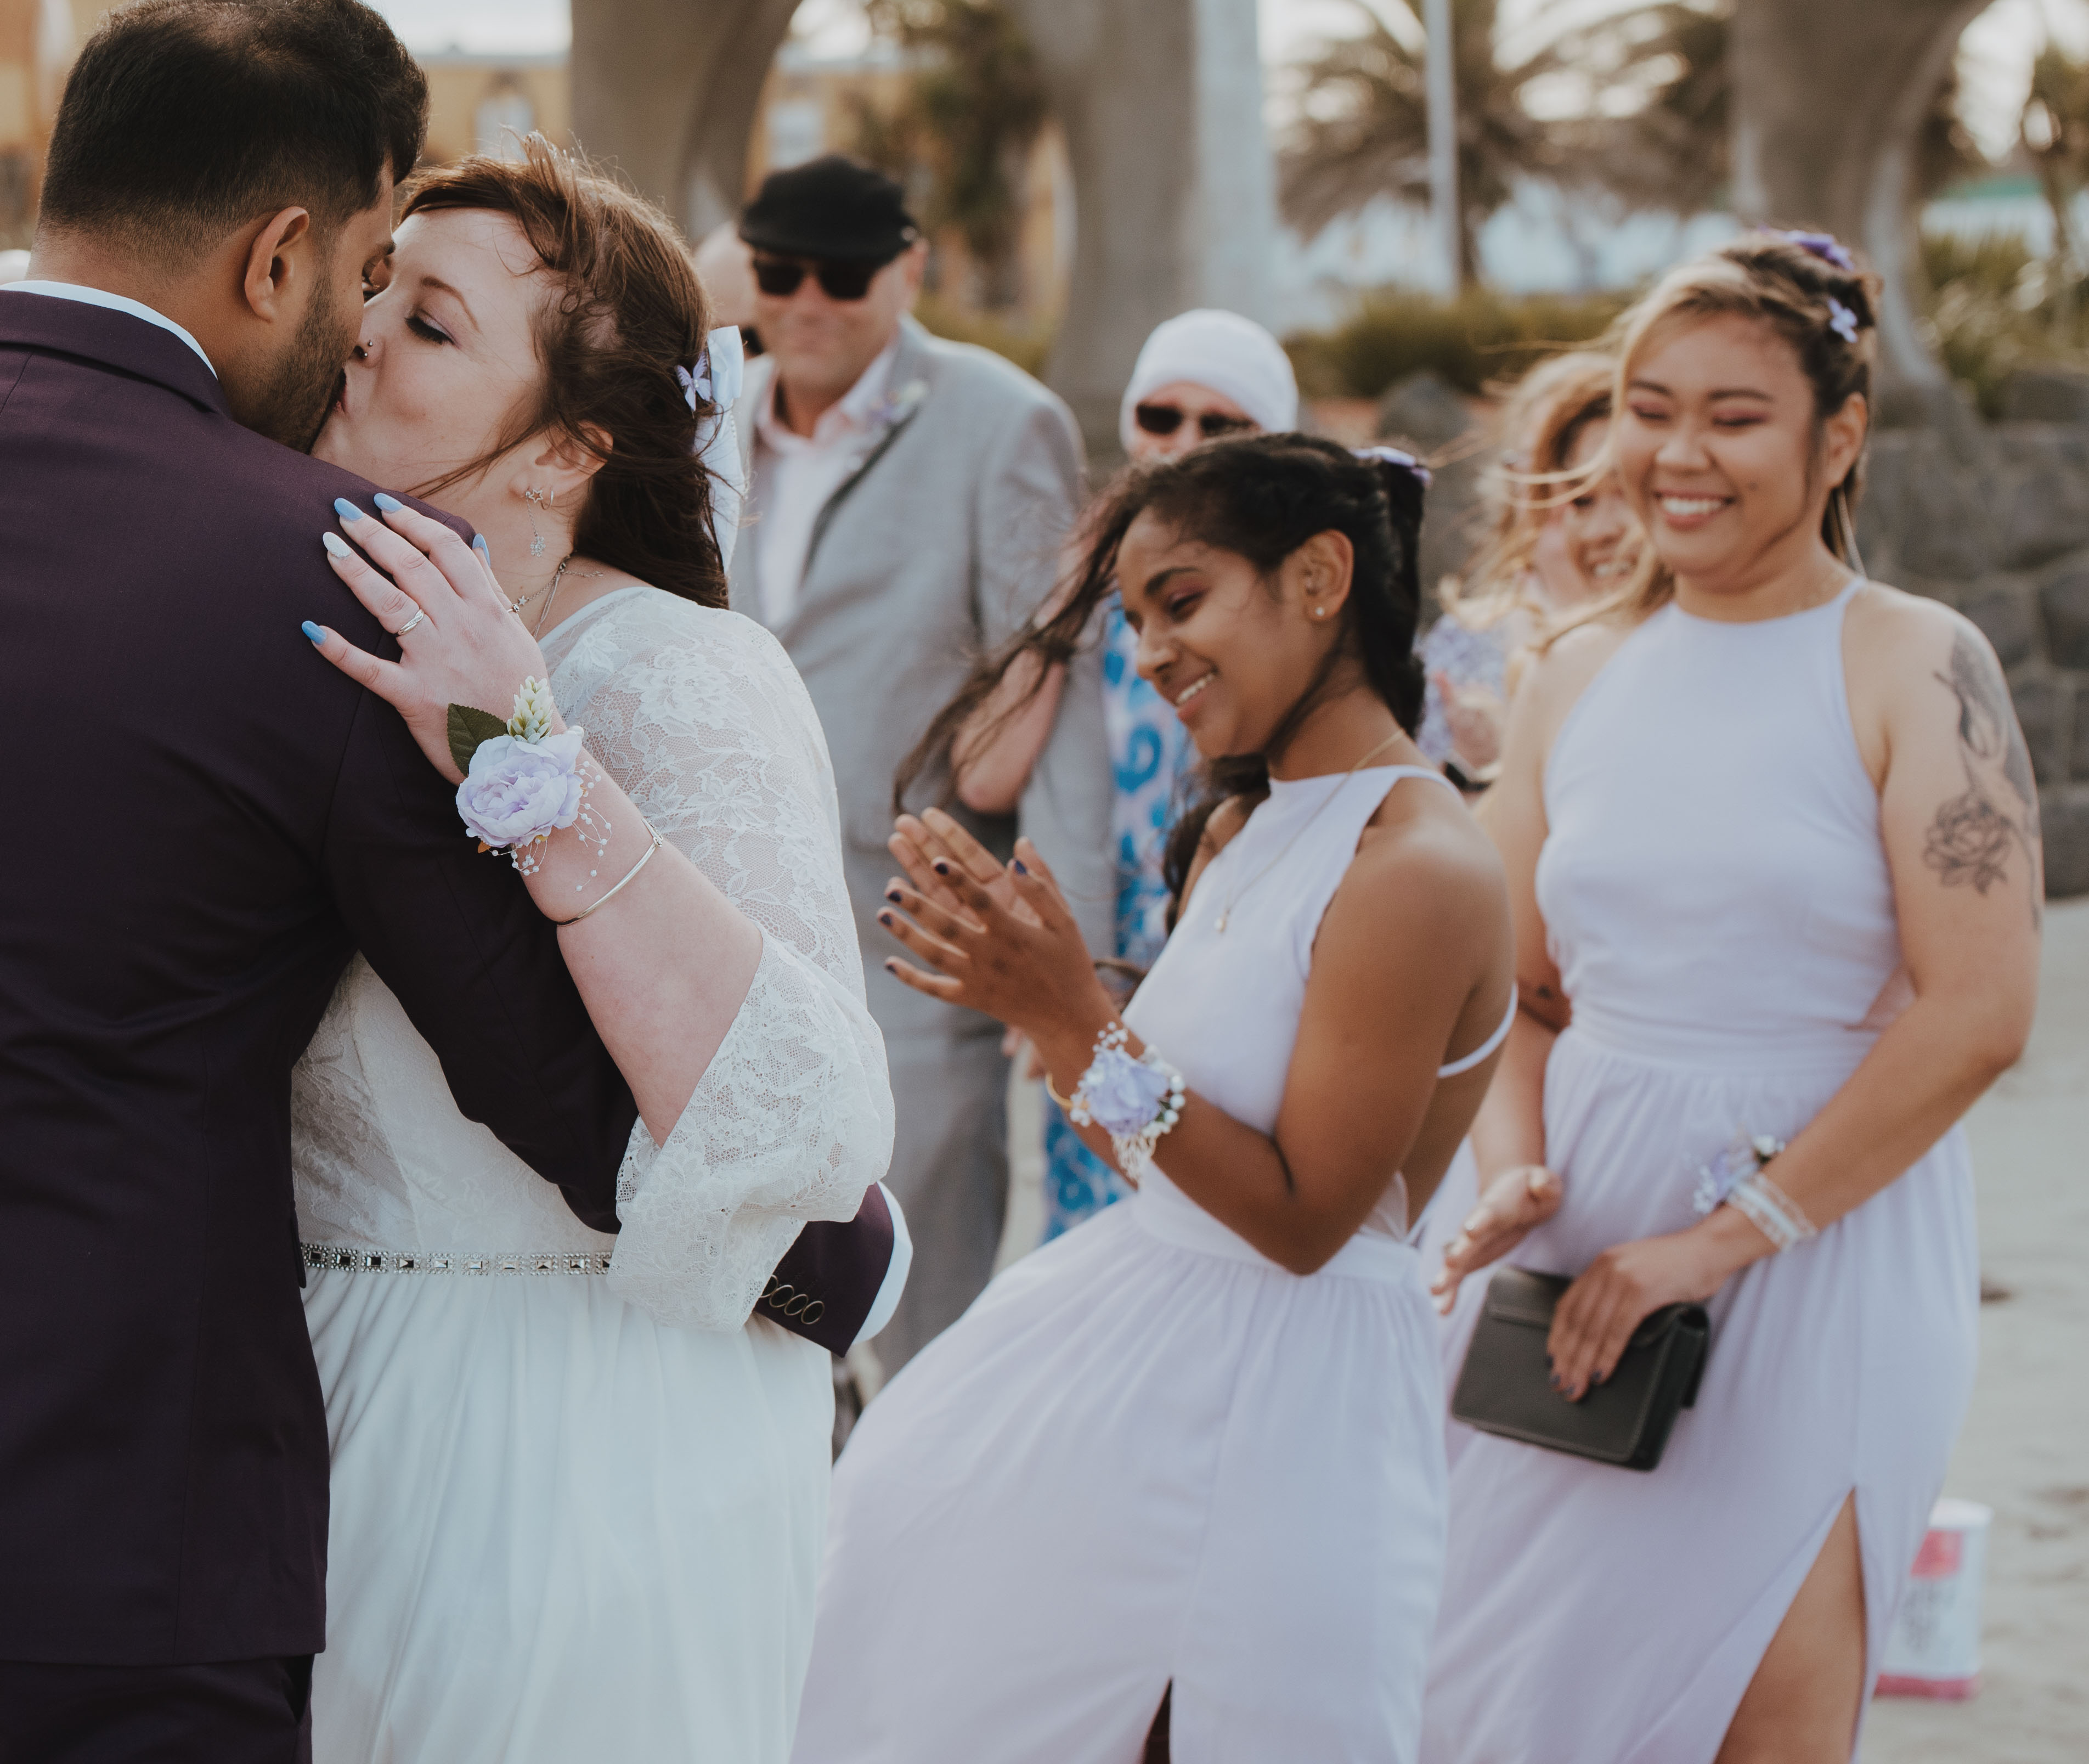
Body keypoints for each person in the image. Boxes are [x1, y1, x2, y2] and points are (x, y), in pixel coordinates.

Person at [0, 0, 893, 1764]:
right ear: (279, 253)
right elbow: (549, 1071)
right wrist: (823, 1264)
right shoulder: (320, 571)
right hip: (114, 1528)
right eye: (366, 270)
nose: (360, 329)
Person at [289, 143, 893, 1761]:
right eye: (373, 290)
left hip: (575, 1425)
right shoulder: (295, 631)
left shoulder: (677, 667)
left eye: (426, 320)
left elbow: (794, 1109)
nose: (360, 335)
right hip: (329, 1395)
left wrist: (523, 748)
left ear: (564, 446)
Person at [795, 433, 1515, 1763]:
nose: (1148, 651)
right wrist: (1039, 1009)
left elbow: (1303, 1218)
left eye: (1179, 600)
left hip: (1298, 1398)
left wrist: (1078, 1012)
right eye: (1131, 619)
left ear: (1318, 577)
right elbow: (1154, 1157)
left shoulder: (1415, 863)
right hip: (1129, 1342)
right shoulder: (1242, 827)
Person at [1422, 234, 2034, 1763]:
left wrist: (1720, 1242)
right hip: (1582, 1255)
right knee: (1510, 1698)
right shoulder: (1575, 672)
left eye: (1736, 416)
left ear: (1841, 438)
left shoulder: (1914, 664)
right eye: (1649, 405)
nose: (1677, 454)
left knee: (1764, 1707)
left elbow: (1980, 1015)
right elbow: (1512, 988)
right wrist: (1516, 1177)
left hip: (1825, 1244)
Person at [729, 151, 1107, 1368]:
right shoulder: (711, 419)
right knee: (753, 1314)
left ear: (908, 269)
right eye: (777, 273)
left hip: (910, 936)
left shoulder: (1002, 420)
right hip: (725, 928)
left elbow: (1056, 676)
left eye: (841, 276)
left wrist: (1072, 947)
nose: (805, 303)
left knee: (924, 1326)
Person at [927, 307, 1301, 1244]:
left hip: (1238, 963)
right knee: (1100, 1260)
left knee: (1228, 1225)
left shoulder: (1306, 601)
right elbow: (985, 771)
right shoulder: (1093, 596)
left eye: (1223, 425)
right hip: (1098, 977)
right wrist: (1070, 591)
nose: (1183, 445)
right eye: (1161, 416)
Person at [1416, 348, 1639, 777]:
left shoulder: (1679, 623)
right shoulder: (1462, 643)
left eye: (1596, 474)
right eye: (1542, 465)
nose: (1560, 493)